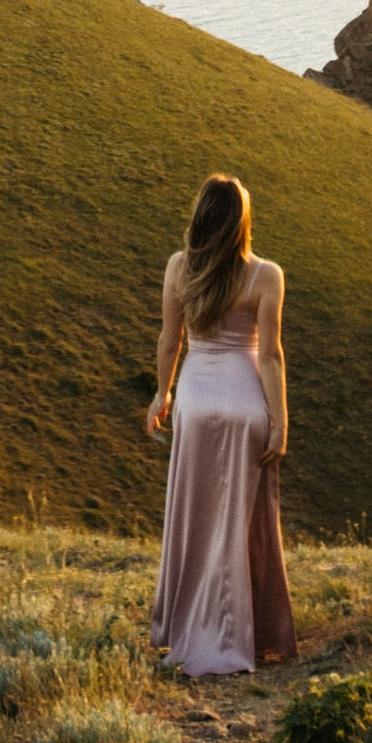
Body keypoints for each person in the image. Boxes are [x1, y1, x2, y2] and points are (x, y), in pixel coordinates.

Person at [144, 170, 296, 677]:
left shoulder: (178, 269)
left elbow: (171, 341)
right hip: (244, 403)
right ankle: (240, 631)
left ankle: (182, 623)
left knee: (194, 513)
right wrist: (280, 418)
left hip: (196, 399)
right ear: (242, 223)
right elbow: (270, 355)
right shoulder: (266, 275)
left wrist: (161, 394)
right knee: (243, 520)